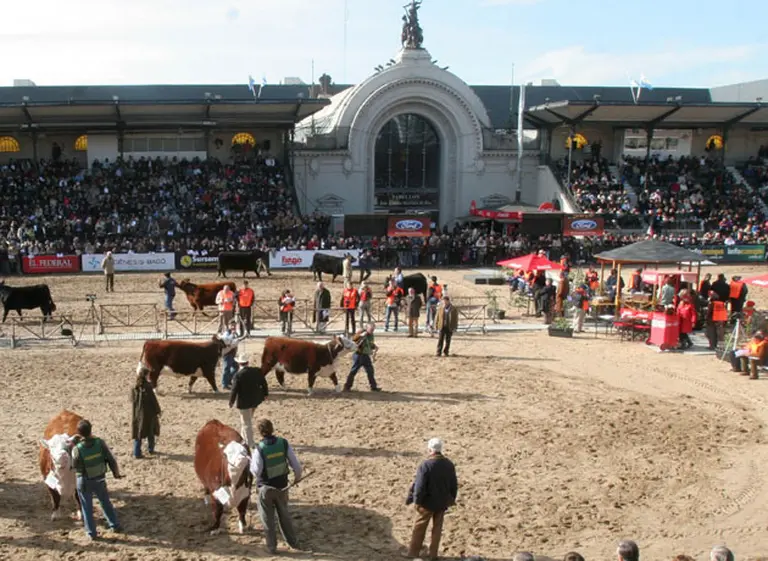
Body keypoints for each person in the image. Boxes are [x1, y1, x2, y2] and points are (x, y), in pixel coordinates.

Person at [249, 418, 303, 554]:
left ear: (260, 432)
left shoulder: (259, 448)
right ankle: (293, 542)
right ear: (272, 429)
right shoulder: (283, 443)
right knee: (284, 515)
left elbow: (256, 471)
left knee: (267, 519)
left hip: (266, 489)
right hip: (282, 487)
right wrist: (297, 478)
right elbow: (296, 466)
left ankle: (272, 547)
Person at [404, 438, 458, 560]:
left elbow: (420, 486)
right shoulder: (449, 464)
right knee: (437, 529)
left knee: (419, 528)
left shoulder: (426, 465)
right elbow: (454, 484)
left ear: (430, 450)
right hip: (441, 502)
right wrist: (451, 499)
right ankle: (433, 554)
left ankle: (413, 553)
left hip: (426, 503)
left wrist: (417, 501)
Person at [71, 419, 123, 540]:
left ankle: (91, 533)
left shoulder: (77, 449)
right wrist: (116, 473)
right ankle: (115, 525)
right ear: (91, 430)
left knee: (87, 507)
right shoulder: (100, 443)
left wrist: (74, 445)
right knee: (105, 502)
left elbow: (75, 465)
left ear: (78, 433)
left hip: (84, 480)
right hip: (99, 478)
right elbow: (111, 459)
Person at [229, 354, 269, 448]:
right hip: (255, 400)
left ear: (239, 363)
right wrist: (265, 394)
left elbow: (234, 390)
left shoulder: (238, 375)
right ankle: (244, 438)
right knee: (247, 420)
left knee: (246, 423)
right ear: (247, 362)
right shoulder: (256, 371)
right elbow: (263, 383)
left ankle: (250, 443)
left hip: (244, 403)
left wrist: (231, 401)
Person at [131, 368, 161, 458]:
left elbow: (132, 400)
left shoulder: (135, 387)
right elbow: (153, 400)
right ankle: (151, 449)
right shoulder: (148, 387)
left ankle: (137, 452)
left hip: (137, 414)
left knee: (138, 433)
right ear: (146, 375)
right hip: (149, 414)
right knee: (150, 432)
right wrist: (158, 410)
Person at [344, 322, 381, 392]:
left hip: (366, 356)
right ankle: (347, 386)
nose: (372, 331)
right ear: (366, 328)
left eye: (373, 329)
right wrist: (360, 336)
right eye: (371, 329)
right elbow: (353, 339)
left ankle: (373, 387)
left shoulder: (371, 335)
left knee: (370, 371)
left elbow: (369, 344)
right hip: (359, 355)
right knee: (353, 371)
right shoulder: (361, 333)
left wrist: (374, 346)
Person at [220, 319, 241, 390]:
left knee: (236, 367)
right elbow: (227, 340)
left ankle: (228, 381)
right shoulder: (227, 333)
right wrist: (232, 334)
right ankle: (224, 384)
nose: (233, 327)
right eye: (231, 325)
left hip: (232, 354)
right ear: (228, 326)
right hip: (227, 354)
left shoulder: (234, 333)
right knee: (227, 368)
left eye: (234, 325)